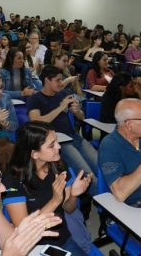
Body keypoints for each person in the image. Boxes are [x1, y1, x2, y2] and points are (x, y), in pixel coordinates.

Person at [3, 121, 92, 255]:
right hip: (32, 247)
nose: (58, 147)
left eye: (56, 141)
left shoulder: (58, 165)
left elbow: (69, 208)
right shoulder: (12, 180)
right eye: (51, 145)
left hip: (63, 239)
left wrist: (73, 195)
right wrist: (55, 200)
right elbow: (25, 229)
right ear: (34, 154)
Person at [27, 65, 98, 196]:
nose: (61, 83)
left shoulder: (63, 94)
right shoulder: (35, 99)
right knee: (87, 173)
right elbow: (35, 121)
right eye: (57, 80)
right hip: (58, 143)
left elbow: (81, 117)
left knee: (100, 164)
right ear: (47, 80)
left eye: (61, 80)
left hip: (74, 136)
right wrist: (61, 107)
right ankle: (103, 203)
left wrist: (77, 112)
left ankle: (111, 195)